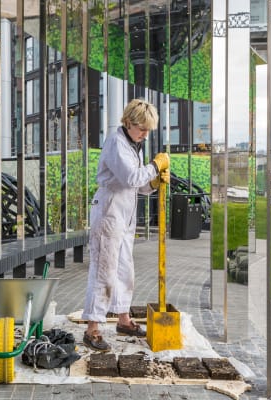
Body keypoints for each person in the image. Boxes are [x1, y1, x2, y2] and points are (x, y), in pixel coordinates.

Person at [82, 98, 170, 352]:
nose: (144, 134)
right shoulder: (116, 142)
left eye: (148, 130)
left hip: (124, 214)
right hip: (109, 212)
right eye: (142, 129)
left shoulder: (133, 144)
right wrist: (155, 166)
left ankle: (123, 319)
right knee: (104, 271)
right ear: (129, 122)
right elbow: (132, 177)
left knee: (124, 269)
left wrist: (154, 183)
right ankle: (92, 329)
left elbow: (139, 185)